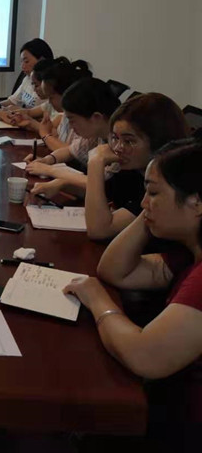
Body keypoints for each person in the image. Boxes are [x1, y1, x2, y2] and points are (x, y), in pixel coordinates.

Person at [64, 139, 202, 449]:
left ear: (197, 203)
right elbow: (115, 271)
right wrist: (151, 213)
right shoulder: (187, 255)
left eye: (153, 193)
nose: (142, 202)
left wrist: (97, 299)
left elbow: (144, 356)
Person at [83, 93, 189, 240]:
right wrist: (62, 183)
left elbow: (99, 230)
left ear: (159, 142)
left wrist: (95, 162)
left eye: (129, 141)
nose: (118, 148)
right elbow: (100, 193)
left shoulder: (165, 186)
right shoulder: (133, 170)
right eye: (115, 138)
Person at [27, 77, 120, 198]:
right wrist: (47, 160)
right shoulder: (97, 134)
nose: (71, 126)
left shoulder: (120, 143)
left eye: (72, 120)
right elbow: (71, 150)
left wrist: (50, 170)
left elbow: (99, 184)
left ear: (96, 117)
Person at [0, 38, 54, 111]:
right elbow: (13, 101)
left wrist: (19, 111)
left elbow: (42, 114)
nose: (22, 66)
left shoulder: (50, 85)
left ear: (41, 60)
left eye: (26, 61)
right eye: (22, 62)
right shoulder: (27, 79)